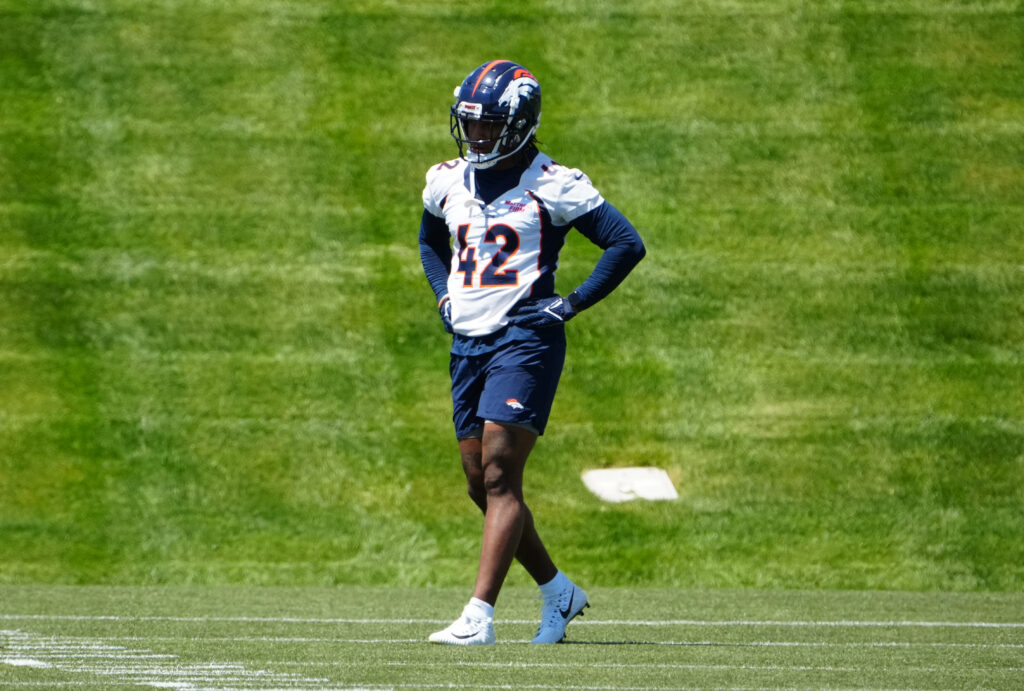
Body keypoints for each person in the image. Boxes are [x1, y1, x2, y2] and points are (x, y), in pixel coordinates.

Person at [418, 59, 646, 645]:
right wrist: (444, 294)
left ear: (520, 123)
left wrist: (567, 305)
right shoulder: (446, 178)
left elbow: (625, 243)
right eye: (470, 124)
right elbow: (428, 240)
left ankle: (478, 616)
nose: (476, 136)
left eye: (489, 125)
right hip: (468, 340)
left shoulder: (554, 183)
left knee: (500, 471)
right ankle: (557, 591)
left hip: (524, 338)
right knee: (479, 481)